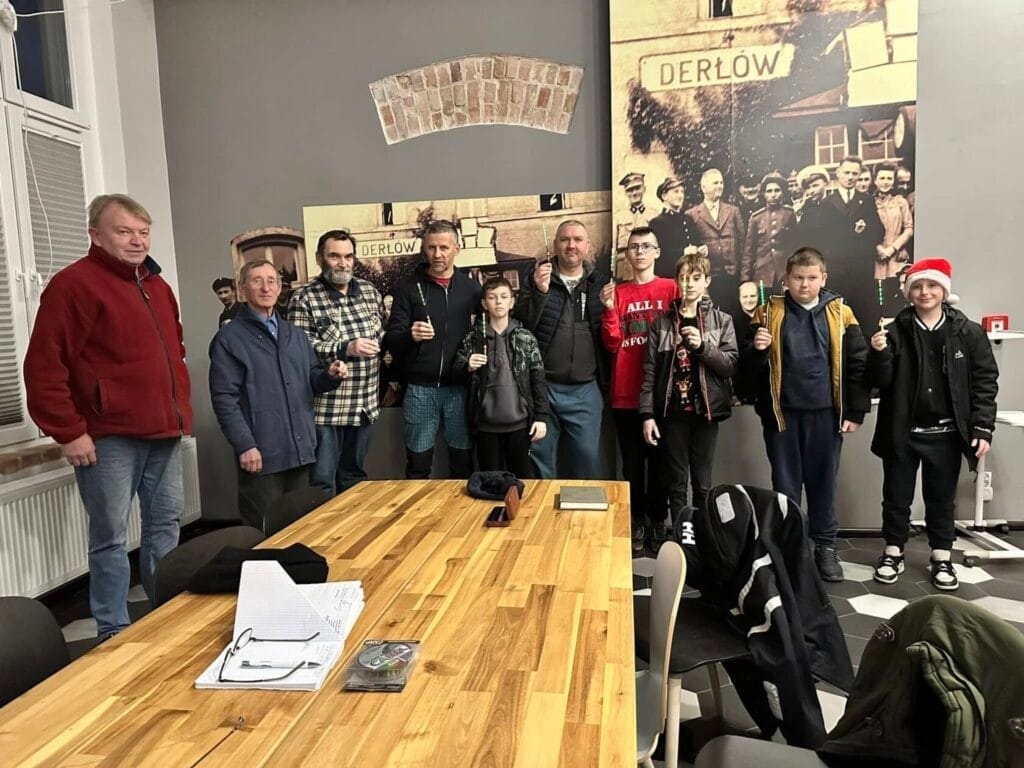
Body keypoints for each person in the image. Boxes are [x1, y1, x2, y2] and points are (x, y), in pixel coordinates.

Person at [24, 193, 193, 639]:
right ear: (95, 235)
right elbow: (44, 366)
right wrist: (69, 431)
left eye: (143, 232)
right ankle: (112, 629)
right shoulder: (72, 285)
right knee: (110, 539)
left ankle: (165, 617)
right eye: (124, 232)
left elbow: (173, 352)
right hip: (108, 438)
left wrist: (180, 412)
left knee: (165, 527)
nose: (137, 241)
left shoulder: (158, 286)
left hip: (165, 431)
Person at [738, 247, 869, 582]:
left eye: (812, 278)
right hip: (782, 416)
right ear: (786, 279)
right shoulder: (767, 312)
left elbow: (857, 363)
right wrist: (757, 350)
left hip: (826, 415)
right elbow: (745, 372)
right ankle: (789, 547)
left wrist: (855, 409)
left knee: (823, 483)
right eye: (798, 277)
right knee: (785, 486)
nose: (805, 284)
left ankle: (825, 545)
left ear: (824, 278)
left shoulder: (841, 312)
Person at [866, 259, 998, 591]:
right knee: (896, 497)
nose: (924, 292)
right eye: (918, 286)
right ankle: (893, 552)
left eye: (932, 285)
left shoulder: (967, 332)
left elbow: (985, 381)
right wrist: (879, 354)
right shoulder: (894, 331)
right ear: (908, 292)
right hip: (902, 432)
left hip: (947, 434)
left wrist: (982, 427)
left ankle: (942, 557)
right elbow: (879, 382)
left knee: (941, 499)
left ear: (944, 290)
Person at [210, 259, 347, 530]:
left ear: (280, 288)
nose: (266, 287)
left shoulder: (295, 334)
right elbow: (224, 399)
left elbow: (311, 379)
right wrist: (245, 445)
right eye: (257, 281)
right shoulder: (229, 339)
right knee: (263, 533)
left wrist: (329, 375)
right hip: (261, 454)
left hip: (300, 451)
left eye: (271, 281)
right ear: (242, 289)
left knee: (298, 530)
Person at [640, 251, 737, 531]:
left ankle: (704, 536)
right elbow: (649, 372)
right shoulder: (662, 323)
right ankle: (684, 537)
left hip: (706, 413)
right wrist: (647, 415)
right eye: (683, 278)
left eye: (695, 278)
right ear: (677, 282)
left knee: (703, 483)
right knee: (676, 482)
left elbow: (730, 366)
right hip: (673, 413)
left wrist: (703, 347)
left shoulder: (722, 321)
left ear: (706, 281)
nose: (689, 284)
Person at [600, 227, 678, 548]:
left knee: (661, 464)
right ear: (627, 254)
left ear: (657, 251)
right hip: (626, 393)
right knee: (632, 465)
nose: (640, 252)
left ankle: (659, 519)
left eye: (647, 246)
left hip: (663, 394)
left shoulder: (672, 288)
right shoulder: (617, 293)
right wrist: (608, 309)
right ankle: (636, 520)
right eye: (634, 247)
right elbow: (611, 342)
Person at [383, 220, 481, 479]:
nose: (437, 254)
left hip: (459, 389)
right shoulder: (407, 288)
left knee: (462, 465)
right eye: (432, 247)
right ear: (423, 249)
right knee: (418, 466)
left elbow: (488, 330)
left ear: (457, 249)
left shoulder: (471, 288)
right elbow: (391, 339)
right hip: (420, 390)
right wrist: (410, 335)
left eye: (444, 248)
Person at [289, 230, 383, 495]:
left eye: (348, 256)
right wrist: (345, 348)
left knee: (354, 478)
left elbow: (382, 333)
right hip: (326, 409)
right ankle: (322, 525)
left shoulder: (369, 291)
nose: (343, 263)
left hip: (364, 404)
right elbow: (300, 350)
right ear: (319, 258)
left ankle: (352, 523)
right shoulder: (304, 298)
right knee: (323, 482)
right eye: (334, 256)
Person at [515, 219, 609, 478]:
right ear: (555, 244)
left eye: (577, 240)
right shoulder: (535, 278)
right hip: (543, 389)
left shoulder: (599, 282)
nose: (571, 245)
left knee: (587, 459)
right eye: (565, 239)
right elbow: (521, 327)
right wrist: (539, 292)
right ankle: (543, 506)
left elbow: (609, 333)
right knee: (541, 460)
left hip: (585, 389)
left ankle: (582, 506)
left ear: (587, 246)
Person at [454, 277, 547, 477]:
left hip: (520, 424)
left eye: (504, 297)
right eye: (492, 297)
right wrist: (467, 366)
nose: (498, 302)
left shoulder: (524, 337)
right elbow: (456, 372)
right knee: (490, 480)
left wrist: (541, 417)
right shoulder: (472, 339)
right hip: (485, 425)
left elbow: (538, 377)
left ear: (512, 302)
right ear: (484, 303)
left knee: (522, 480)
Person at [823, 156, 884, 323]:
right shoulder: (826, 202)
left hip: (861, 269)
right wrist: (852, 233)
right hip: (836, 268)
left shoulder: (867, 200)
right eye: (847, 172)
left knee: (863, 314)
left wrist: (866, 230)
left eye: (855, 174)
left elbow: (879, 231)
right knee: (836, 315)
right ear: (838, 173)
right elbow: (823, 237)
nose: (850, 177)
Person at [686, 168, 746, 314]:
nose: (719, 186)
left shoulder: (733, 211)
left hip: (733, 275)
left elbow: (743, 244)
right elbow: (691, 246)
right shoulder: (692, 214)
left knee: (735, 314)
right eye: (715, 183)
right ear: (703, 187)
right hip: (709, 276)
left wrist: (744, 275)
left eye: (721, 182)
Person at [743, 172, 796, 291]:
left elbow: (795, 246)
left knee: (785, 302)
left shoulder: (790, 214)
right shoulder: (756, 217)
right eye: (769, 191)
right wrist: (745, 279)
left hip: (785, 273)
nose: (773, 194)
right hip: (762, 274)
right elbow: (748, 252)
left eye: (777, 190)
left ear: (783, 193)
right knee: (764, 302)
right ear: (764, 194)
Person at [648, 176, 701, 278]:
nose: (680, 196)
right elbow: (659, 254)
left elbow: (695, 242)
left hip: (689, 275)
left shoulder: (688, 219)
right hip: (669, 276)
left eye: (682, 192)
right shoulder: (657, 223)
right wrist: (683, 252)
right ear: (664, 196)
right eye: (676, 192)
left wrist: (701, 248)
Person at [872, 162, 914, 279]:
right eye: (882, 178)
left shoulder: (901, 202)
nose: (885, 182)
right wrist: (879, 249)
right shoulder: (869, 203)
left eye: (889, 178)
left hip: (896, 255)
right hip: (876, 256)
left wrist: (893, 248)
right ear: (875, 180)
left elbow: (909, 229)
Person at [614, 172, 651, 256]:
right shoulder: (618, 216)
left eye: (637, 188)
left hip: (647, 258)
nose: (634, 193)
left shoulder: (654, 215)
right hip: (625, 259)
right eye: (630, 190)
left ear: (644, 189)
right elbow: (613, 248)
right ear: (625, 193)